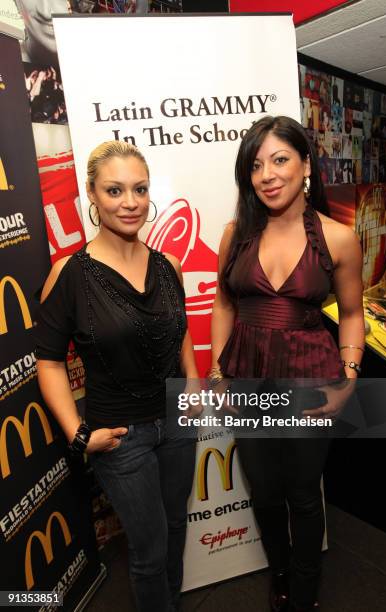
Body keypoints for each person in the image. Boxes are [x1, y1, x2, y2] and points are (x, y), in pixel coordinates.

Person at [35, 141, 198, 612]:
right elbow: (48, 361)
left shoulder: (170, 266)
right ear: (92, 193)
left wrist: (190, 384)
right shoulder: (70, 273)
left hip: (176, 424)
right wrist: (78, 433)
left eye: (140, 189)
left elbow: (179, 331)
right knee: (147, 552)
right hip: (121, 437)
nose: (130, 202)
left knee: (175, 529)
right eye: (115, 189)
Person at [210, 116, 364, 612]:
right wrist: (218, 372)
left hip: (309, 378)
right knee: (265, 492)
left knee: (302, 492)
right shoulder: (236, 234)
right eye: (256, 165)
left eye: (279, 159)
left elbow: (353, 314)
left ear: (305, 167)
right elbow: (224, 304)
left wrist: (349, 379)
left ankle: (304, 586)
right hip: (249, 380)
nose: (267, 175)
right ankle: (278, 571)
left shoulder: (338, 238)